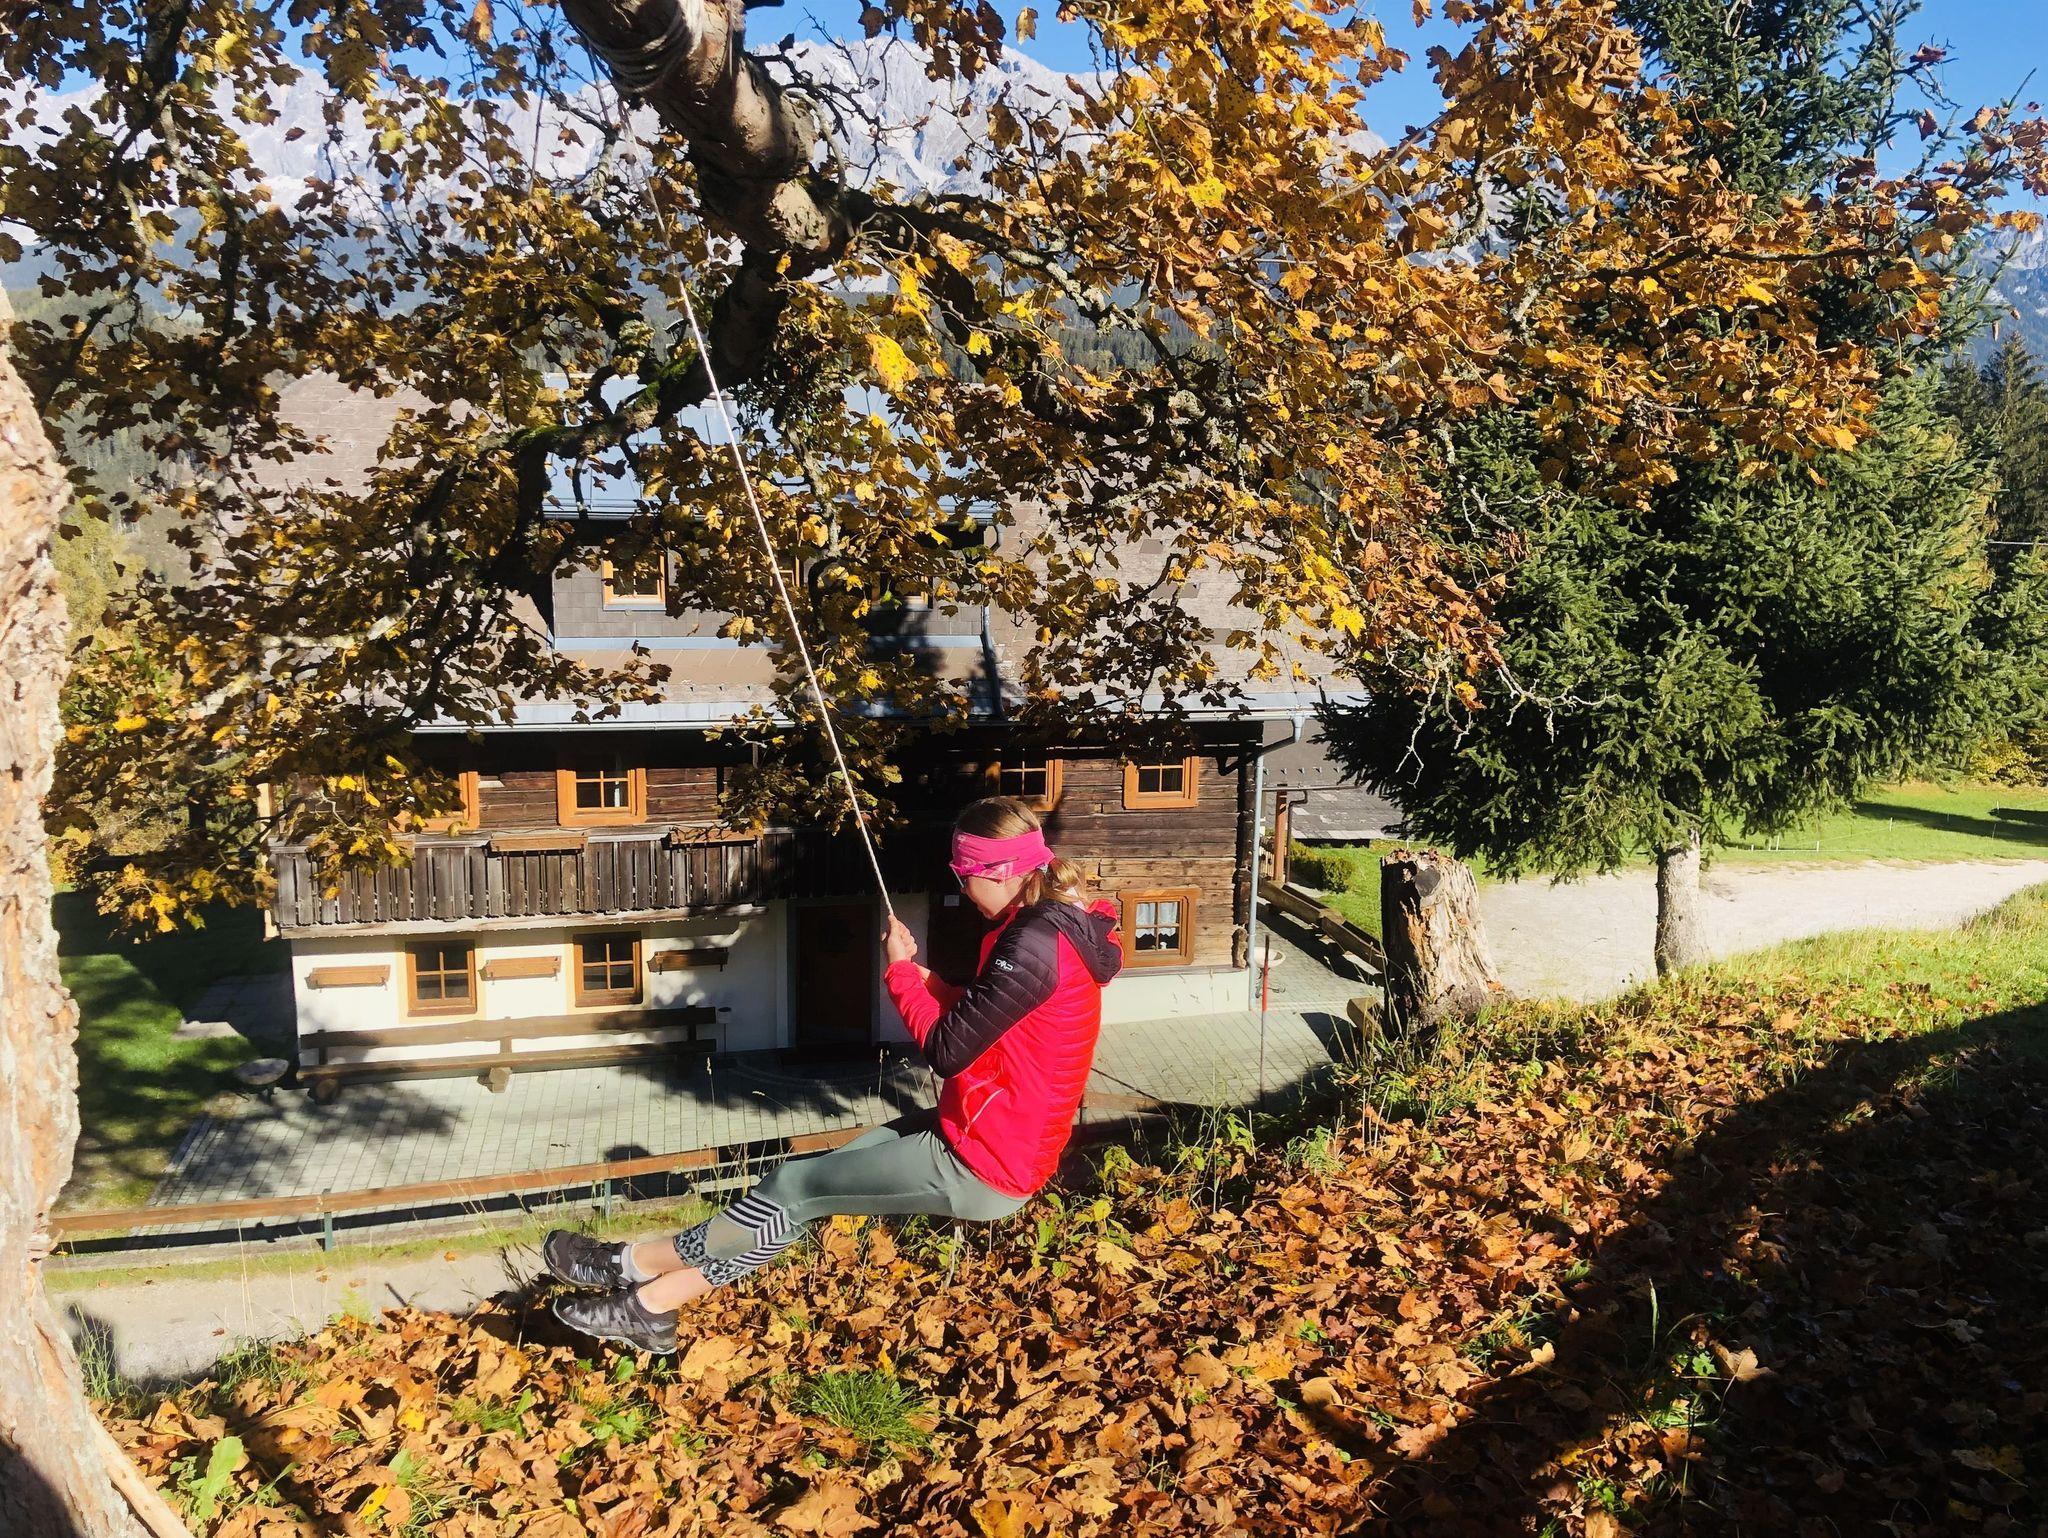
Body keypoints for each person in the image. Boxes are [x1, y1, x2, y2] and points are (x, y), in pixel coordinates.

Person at [545, 795, 1124, 1353]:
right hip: (984, 1130)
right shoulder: (1046, 927)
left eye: (960, 873)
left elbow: (947, 1049)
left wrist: (899, 976)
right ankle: (653, 1305)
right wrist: (923, 977)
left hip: (986, 1161)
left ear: (996, 871)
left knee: (790, 1188)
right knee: (799, 1195)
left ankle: (626, 1265)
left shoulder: (1033, 942)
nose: (961, 887)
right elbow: (988, 1015)